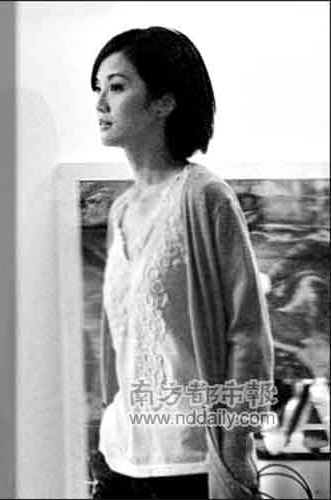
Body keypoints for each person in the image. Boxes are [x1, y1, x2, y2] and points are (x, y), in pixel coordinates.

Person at [89, 26, 274, 499]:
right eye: (98, 89)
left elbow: (247, 334)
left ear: (164, 101)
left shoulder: (205, 197)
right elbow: (120, 340)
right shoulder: (120, 210)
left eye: (117, 86)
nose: (101, 103)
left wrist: (235, 451)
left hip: (190, 462)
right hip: (119, 459)